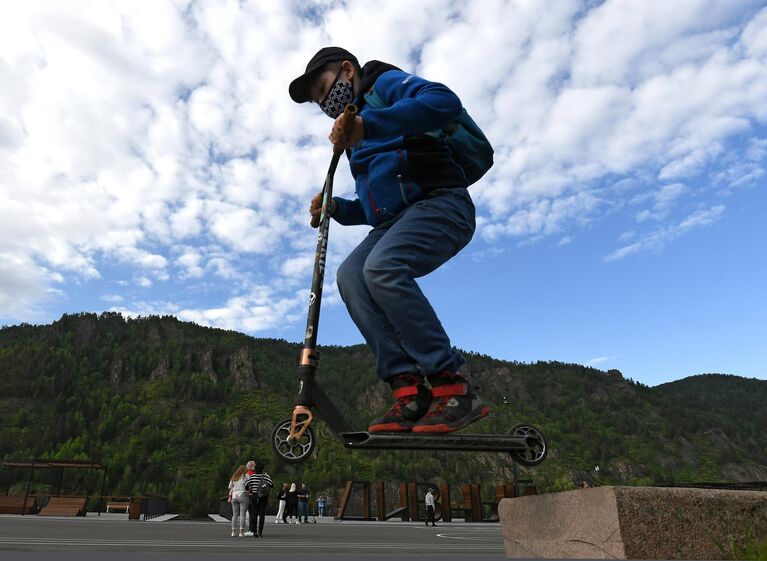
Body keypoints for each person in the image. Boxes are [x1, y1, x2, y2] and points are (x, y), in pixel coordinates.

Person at [290, 46, 490, 434]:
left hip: (441, 202)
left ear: (348, 70)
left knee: (382, 266)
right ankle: (408, 388)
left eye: (324, 89)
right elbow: (374, 207)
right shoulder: (355, 138)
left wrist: (369, 124)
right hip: (396, 221)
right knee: (351, 275)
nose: (324, 104)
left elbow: (444, 101)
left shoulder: (384, 84)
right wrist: (335, 208)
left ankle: (453, 383)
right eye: (318, 102)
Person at [244, 462, 273, 537]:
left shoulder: (253, 476)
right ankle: (260, 532)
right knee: (262, 515)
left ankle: (254, 532)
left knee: (254, 514)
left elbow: (246, 485)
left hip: (254, 496)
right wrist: (269, 496)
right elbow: (271, 485)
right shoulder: (266, 476)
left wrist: (249, 493)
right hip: (263, 497)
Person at [227, 465, 249, 537]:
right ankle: (241, 532)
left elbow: (230, 487)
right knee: (242, 514)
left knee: (235, 515)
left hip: (234, 496)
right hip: (242, 494)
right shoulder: (246, 476)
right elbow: (250, 484)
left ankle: (233, 532)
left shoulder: (234, 476)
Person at [244, 460, 256, 536]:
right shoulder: (257, 474)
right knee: (255, 513)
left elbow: (246, 486)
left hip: (250, 496)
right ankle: (254, 529)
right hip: (257, 495)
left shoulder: (247, 475)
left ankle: (251, 529)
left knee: (251, 513)